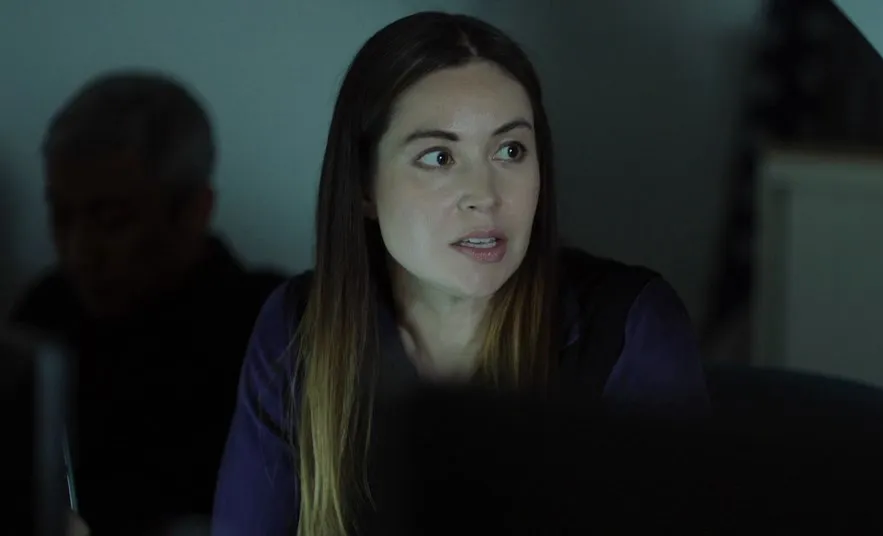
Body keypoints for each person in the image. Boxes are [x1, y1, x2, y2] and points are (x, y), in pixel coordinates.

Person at [210, 12, 708, 536]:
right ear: (363, 185)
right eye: (439, 157)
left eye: (510, 151)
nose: (484, 196)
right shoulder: (299, 326)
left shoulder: (631, 328)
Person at [5, 71, 284, 533]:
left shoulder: (272, 329)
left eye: (111, 220)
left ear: (194, 210)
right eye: (61, 216)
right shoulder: (47, 309)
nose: (78, 250)